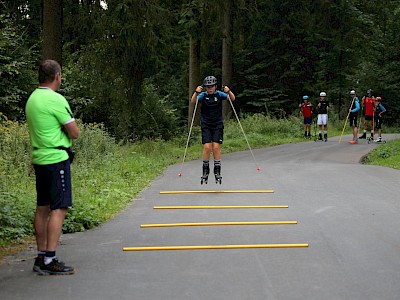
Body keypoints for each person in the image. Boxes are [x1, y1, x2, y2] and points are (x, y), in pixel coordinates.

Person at [25, 59, 79, 275]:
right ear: (57, 76)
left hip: (39, 158)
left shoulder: (32, 99)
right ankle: (50, 259)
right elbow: (74, 131)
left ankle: (40, 256)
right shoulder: (55, 99)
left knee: (43, 207)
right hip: (56, 158)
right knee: (60, 207)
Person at [191, 75, 235, 184]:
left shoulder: (219, 94)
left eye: (212, 86)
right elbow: (193, 102)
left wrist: (228, 91)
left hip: (217, 124)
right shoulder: (203, 95)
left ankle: (217, 171)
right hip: (206, 124)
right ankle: (205, 171)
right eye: (208, 87)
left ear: (215, 86)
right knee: (207, 147)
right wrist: (196, 92)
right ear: (205, 87)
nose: (210, 88)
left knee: (215, 147)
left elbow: (232, 98)